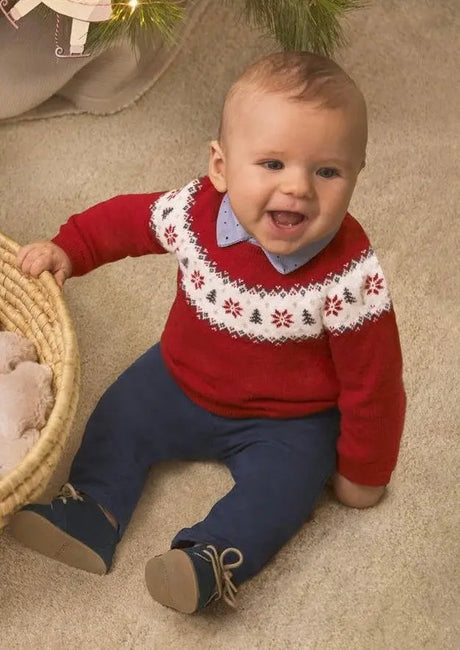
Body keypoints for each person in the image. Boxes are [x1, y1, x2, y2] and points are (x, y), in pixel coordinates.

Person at [10, 51, 406, 614]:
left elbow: (376, 381)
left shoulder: (350, 274)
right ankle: (92, 509)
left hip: (288, 420)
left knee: (287, 489)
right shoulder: (195, 211)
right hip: (178, 379)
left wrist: (366, 469)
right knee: (121, 413)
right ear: (221, 166)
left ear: (356, 175)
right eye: (272, 163)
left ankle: (213, 558)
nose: (298, 187)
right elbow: (128, 221)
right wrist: (69, 248)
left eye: (327, 172)